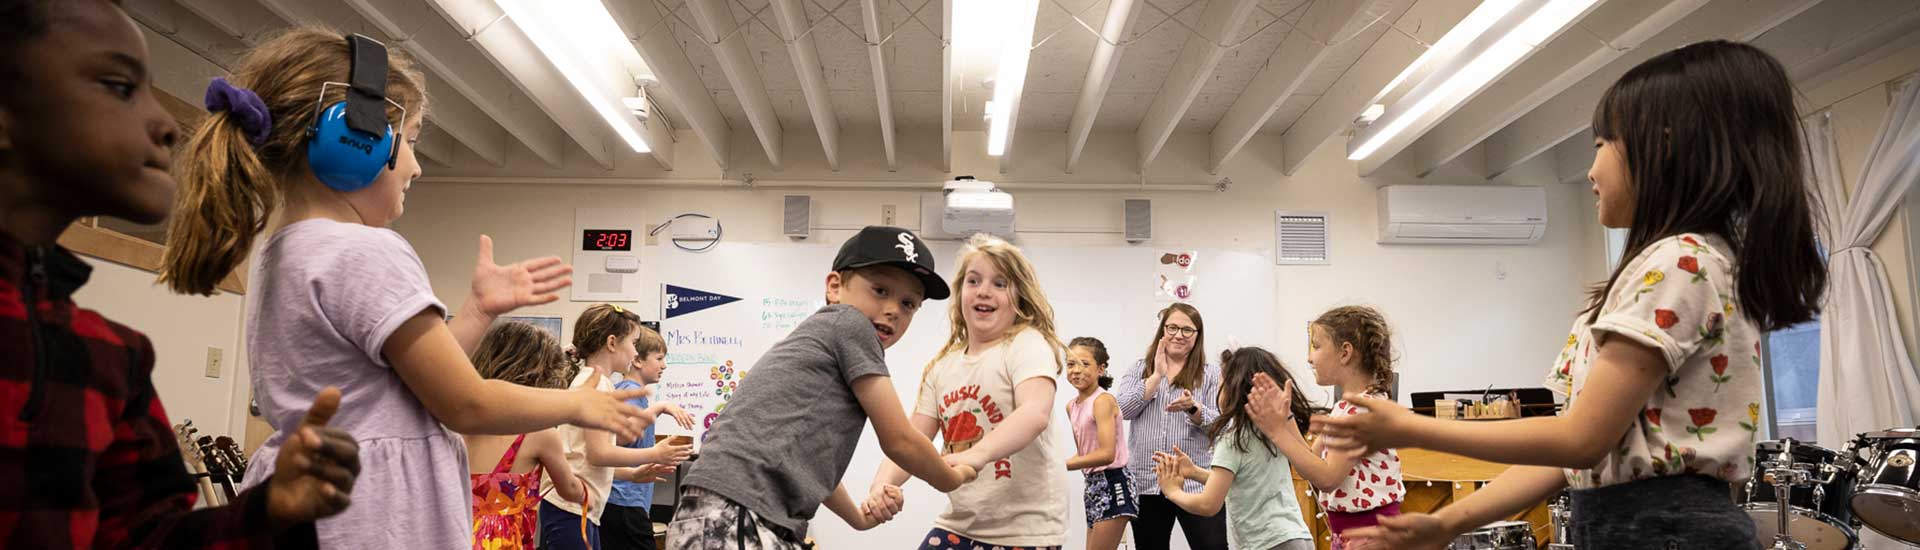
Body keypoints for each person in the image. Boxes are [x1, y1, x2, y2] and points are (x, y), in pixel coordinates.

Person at [1315, 40, 1826, 550]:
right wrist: (1449, 521)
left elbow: (1580, 441)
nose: (1590, 170)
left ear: (1664, 147)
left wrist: (1412, 428)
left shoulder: (1682, 261)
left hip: (1663, 529)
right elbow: (1568, 452)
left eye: (1603, 144)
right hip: (1627, 524)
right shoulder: (1668, 266)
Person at [159, 27, 656, 548]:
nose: (417, 167)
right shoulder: (367, 249)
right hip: (375, 513)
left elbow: (395, 386)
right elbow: (466, 403)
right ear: (353, 140)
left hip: (316, 509)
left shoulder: (283, 253)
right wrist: (576, 406)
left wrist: (477, 312)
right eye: (411, 141)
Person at [0, 1, 360, 546]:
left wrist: (268, 512)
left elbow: (147, 536)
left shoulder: (112, 359)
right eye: (120, 87)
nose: (168, 124)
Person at [669, 226, 975, 549]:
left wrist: (858, 518)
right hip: (737, 511)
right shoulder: (849, 324)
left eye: (909, 303)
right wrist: (955, 477)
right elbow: (899, 440)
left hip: (719, 510)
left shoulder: (818, 344)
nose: (893, 310)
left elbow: (808, 464)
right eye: (880, 290)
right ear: (834, 286)